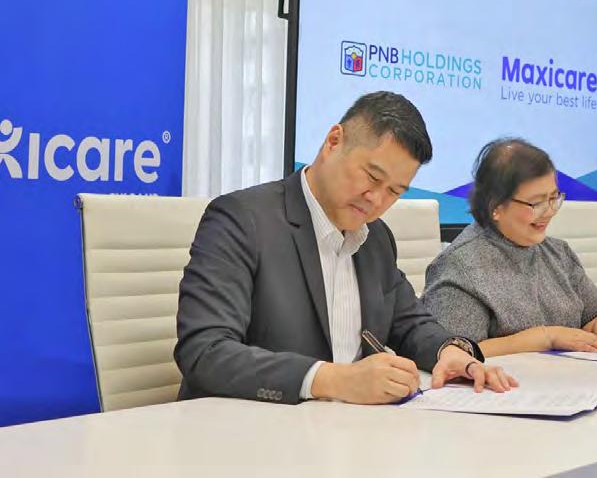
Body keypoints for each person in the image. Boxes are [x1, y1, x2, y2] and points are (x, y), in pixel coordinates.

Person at [175, 91, 516, 406]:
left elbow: (409, 323)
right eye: (372, 177)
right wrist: (334, 380)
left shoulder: (376, 237)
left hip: (346, 429)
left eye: (394, 191)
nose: (377, 200)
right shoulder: (242, 220)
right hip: (253, 429)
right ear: (333, 141)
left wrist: (448, 351)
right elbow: (205, 352)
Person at [421, 138, 597, 357]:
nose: (549, 212)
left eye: (553, 198)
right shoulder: (459, 267)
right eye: (536, 203)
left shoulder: (557, 253)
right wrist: (546, 337)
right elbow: (456, 352)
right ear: (496, 207)